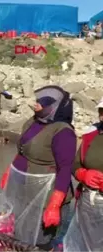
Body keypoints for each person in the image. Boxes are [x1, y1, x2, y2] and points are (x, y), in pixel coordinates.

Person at [0, 85, 76, 250]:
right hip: (25, 187)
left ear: (53, 107)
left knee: (41, 241)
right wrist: (9, 172)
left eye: (42, 102)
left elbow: (65, 169)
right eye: (37, 100)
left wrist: (54, 205)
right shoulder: (33, 121)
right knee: (20, 233)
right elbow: (22, 151)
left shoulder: (63, 132)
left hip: (48, 193)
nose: (36, 104)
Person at [65, 97, 103, 251]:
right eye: (101, 111)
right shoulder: (91, 134)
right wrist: (82, 174)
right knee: (87, 243)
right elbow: (75, 164)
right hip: (89, 201)